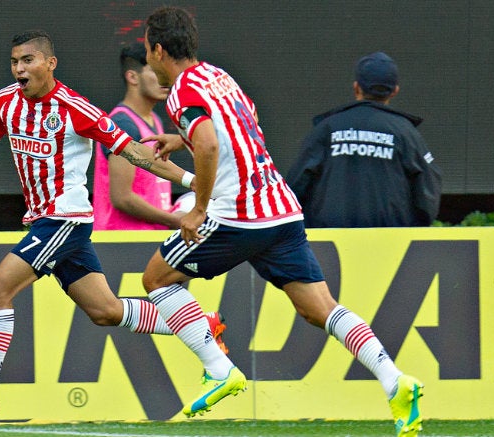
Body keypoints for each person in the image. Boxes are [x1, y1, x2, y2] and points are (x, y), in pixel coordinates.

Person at [0, 29, 228, 423]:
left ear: (50, 64)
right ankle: (200, 325)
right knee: (105, 311)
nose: (20, 68)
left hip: (63, 220)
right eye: (15, 61)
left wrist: (192, 182)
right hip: (49, 221)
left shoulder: (74, 108)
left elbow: (134, 152)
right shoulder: (5, 102)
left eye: (28, 60)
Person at [138, 7, 423, 437]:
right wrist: (182, 139)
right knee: (319, 309)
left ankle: (218, 368)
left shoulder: (181, 92)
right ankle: (394, 381)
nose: (147, 60)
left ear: (159, 49)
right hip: (280, 209)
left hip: (238, 215)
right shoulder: (218, 75)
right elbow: (241, 122)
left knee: (157, 280)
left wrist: (197, 209)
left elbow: (211, 145)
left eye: (147, 51)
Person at [286, 51, 442, 228]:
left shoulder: (327, 128)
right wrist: (413, 229)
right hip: (392, 243)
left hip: (328, 245)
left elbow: (296, 184)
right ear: (395, 91)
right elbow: (428, 190)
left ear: (356, 87)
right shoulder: (406, 133)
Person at [92, 42, 182, 230]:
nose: (165, 78)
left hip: (150, 239)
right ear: (133, 77)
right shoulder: (122, 124)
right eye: (156, 71)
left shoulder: (155, 120)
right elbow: (122, 198)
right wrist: (175, 221)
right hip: (122, 244)